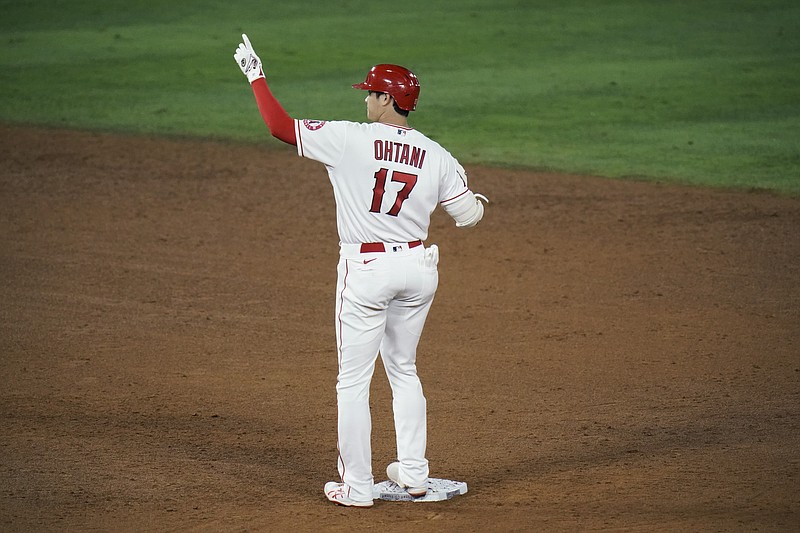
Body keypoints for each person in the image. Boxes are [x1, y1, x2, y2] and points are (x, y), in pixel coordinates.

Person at [234, 34, 488, 508]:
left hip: (367, 269)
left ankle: (356, 486)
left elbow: (279, 126)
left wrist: (256, 75)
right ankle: (413, 475)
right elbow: (468, 215)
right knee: (404, 369)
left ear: (388, 99)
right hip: (418, 268)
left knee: (352, 380)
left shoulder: (349, 137)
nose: (366, 99)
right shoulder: (436, 153)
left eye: (371, 93)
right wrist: (473, 200)